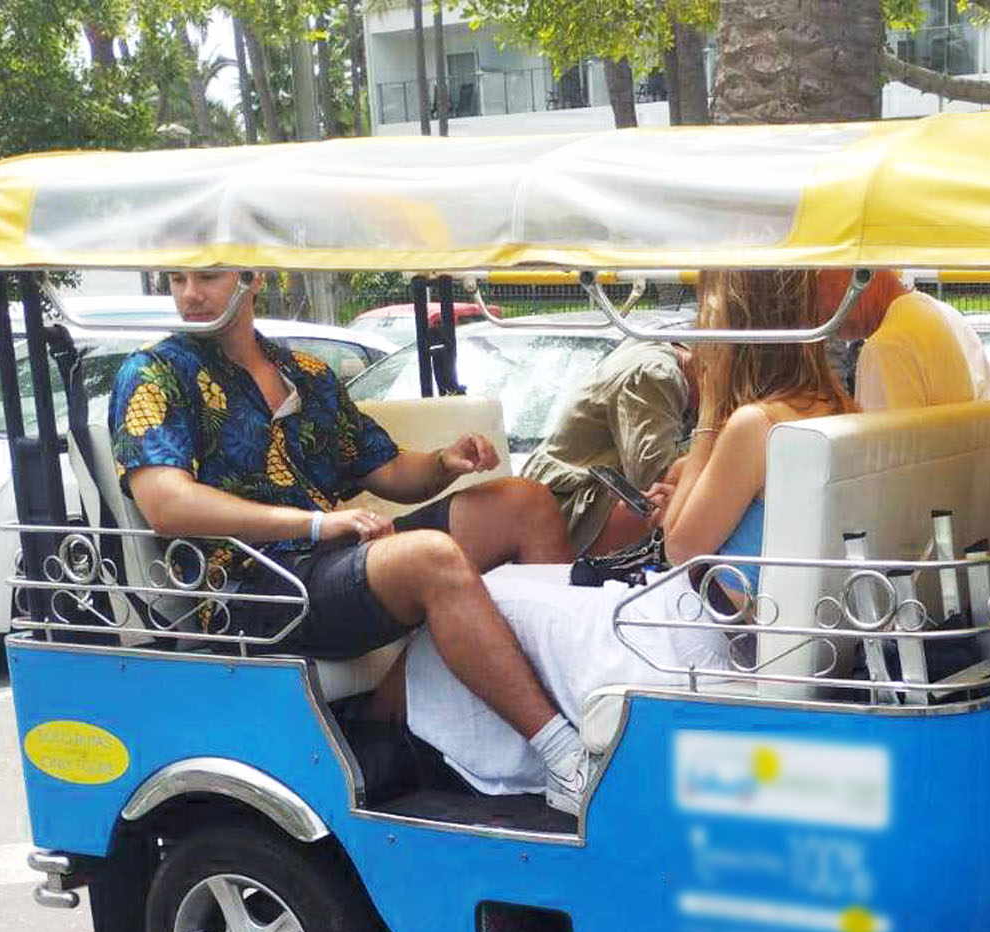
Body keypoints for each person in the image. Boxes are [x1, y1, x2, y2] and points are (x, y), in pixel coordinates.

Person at [108, 267, 593, 814]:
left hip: (328, 563)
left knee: (525, 504)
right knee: (430, 558)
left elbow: (386, 469)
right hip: (253, 590)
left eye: (209, 277)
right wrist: (314, 524)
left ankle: (574, 714)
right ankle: (565, 757)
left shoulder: (305, 372)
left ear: (252, 276)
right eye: (177, 280)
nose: (190, 295)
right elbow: (165, 504)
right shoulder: (153, 373)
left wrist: (443, 462)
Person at [399, 269, 856, 801]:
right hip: (742, 626)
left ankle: (524, 765)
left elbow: (681, 545)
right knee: (515, 584)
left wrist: (710, 414)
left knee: (480, 596)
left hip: (696, 636)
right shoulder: (839, 404)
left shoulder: (751, 423)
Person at [520, 338, 695, 555]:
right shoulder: (656, 373)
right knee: (672, 502)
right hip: (562, 507)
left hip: (559, 494)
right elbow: (658, 475)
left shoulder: (656, 348)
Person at [811, 269, 990, 411]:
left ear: (861, 276)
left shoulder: (886, 346)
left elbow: (883, 456)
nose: (820, 315)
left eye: (818, 290)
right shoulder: (946, 313)